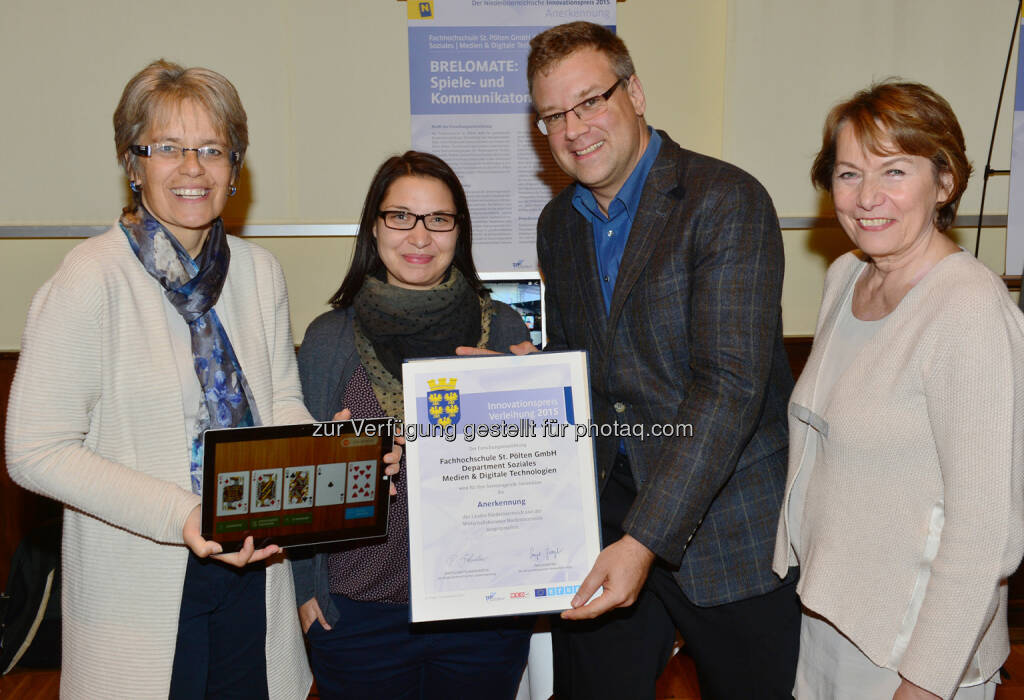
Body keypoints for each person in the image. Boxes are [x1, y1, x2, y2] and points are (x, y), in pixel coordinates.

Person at [6, 60, 319, 698]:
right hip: (144, 588)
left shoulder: (259, 272)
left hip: (255, 575)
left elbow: (279, 401)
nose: (193, 168)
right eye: (168, 148)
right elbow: (34, 451)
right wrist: (183, 515)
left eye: (212, 149)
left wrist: (322, 452)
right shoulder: (90, 278)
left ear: (235, 167)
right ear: (133, 161)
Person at [523, 21, 800, 700]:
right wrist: (522, 375)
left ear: (636, 92)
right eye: (554, 114)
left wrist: (643, 541)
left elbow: (730, 387)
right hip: (609, 511)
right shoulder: (558, 224)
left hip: (729, 525)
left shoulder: (727, 201)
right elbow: (591, 365)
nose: (574, 128)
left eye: (591, 101)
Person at [773, 80, 1024, 700]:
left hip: (914, 647)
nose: (867, 197)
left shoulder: (968, 310)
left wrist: (926, 682)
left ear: (944, 183)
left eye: (894, 171)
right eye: (849, 173)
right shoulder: (846, 275)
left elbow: (986, 531)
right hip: (829, 619)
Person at [290, 150, 534, 699]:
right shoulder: (329, 339)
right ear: (373, 227)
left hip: (484, 613)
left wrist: (524, 401)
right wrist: (307, 592)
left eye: (438, 219)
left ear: (459, 231)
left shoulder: (504, 329)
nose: (419, 236)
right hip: (356, 614)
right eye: (400, 216)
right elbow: (298, 477)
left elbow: (542, 469)